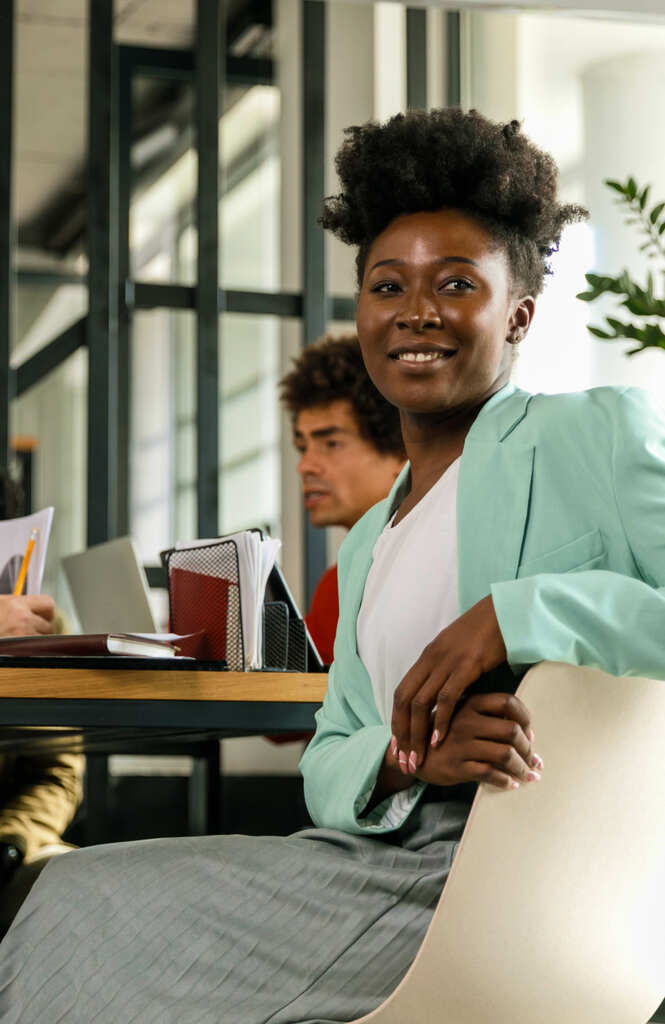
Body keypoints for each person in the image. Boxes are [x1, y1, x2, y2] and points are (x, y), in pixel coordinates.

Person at [1, 107, 664, 1023]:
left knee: (78, 908)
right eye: (387, 285)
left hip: (522, 879)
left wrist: (522, 611)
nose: (417, 310)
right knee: (76, 894)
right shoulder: (368, 543)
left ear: (517, 313)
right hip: (383, 853)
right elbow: (328, 759)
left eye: (456, 282)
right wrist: (407, 761)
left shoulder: (591, 434)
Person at [280, 334, 405, 662]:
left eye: (331, 443)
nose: (305, 465)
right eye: (302, 447)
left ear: (401, 453)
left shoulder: (438, 569)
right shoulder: (338, 585)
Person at [0, 472, 83, 937]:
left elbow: (54, 774)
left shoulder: (41, 628)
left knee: (91, 894)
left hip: (10, 841)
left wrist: (11, 842)